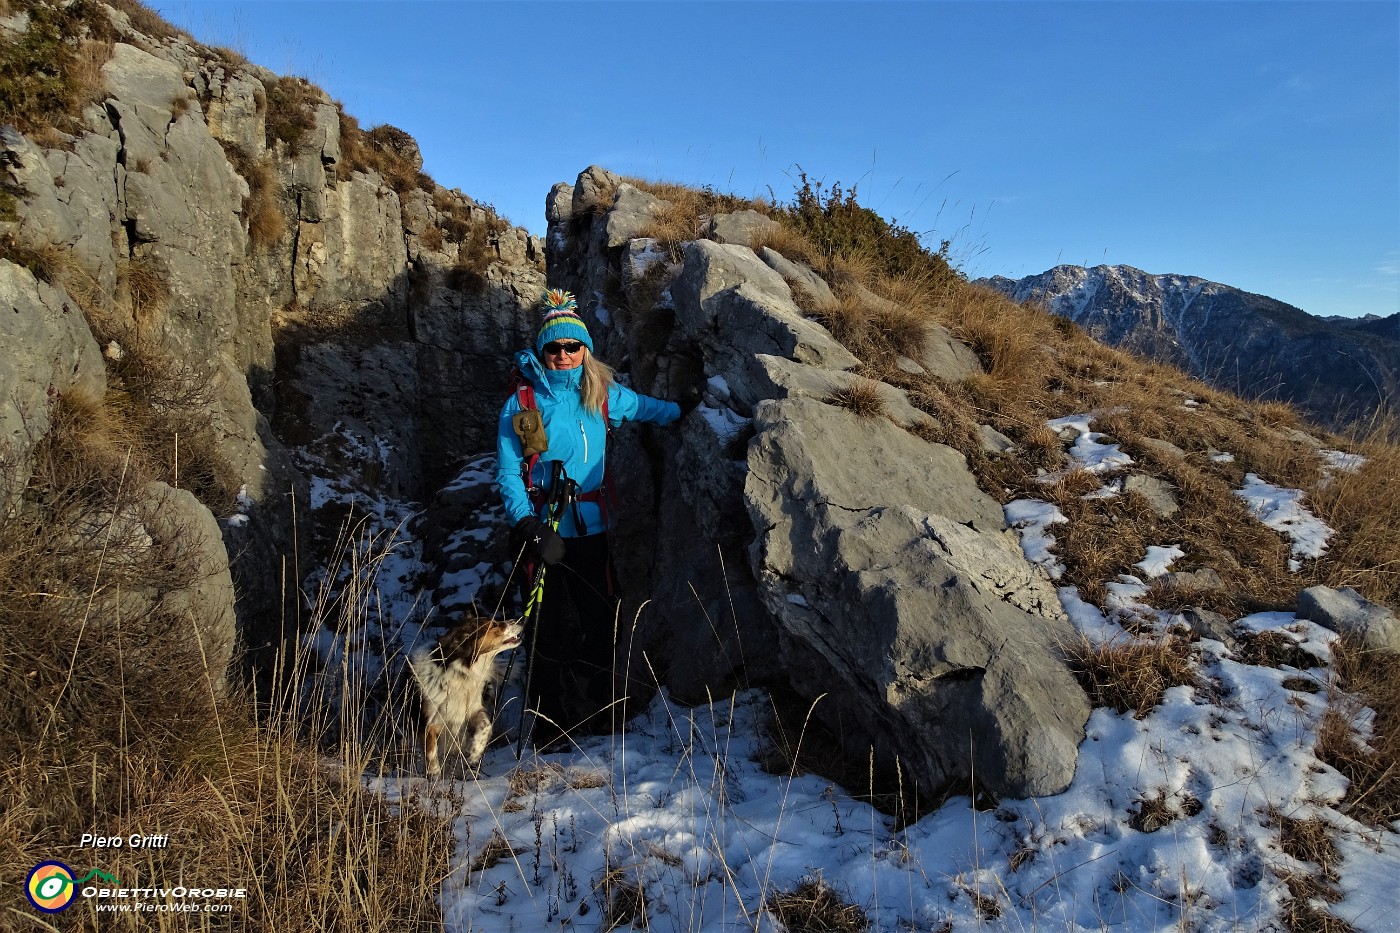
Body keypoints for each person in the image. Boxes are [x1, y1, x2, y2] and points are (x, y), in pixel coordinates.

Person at [495, 288, 685, 749]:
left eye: (572, 346)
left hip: (593, 532)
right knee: (547, 630)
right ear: (542, 350)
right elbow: (509, 472)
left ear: (585, 350)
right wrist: (528, 525)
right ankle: (549, 728)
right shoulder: (525, 403)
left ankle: (598, 716)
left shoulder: (600, 395)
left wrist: (683, 409)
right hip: (545, 532)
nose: (563, 355)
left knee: (601, 623)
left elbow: (643, 407)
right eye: (554, 347)